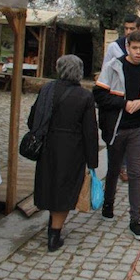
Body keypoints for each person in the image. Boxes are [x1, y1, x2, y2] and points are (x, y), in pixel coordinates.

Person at [94, 30, 140, 241]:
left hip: (137, 129)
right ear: (128, 47)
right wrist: (124, 103)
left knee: (134, 172)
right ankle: (108, 202)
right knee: (113, 169)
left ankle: (135, 220)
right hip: (115, 127)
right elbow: (99, 95)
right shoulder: (113, 66)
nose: (139, 52)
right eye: (135, 48)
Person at [30, 55, 98, 252]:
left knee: (50, 185)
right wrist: (92, 161)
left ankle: (52, 225)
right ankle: (54, 234)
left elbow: (32, 119)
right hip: (72, 149)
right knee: (64, 190)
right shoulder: (84, 96)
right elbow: (90, 131)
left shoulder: (47, 90)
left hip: (48, 145)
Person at [103, 14, 140, 182]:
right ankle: (115, 169)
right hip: (118, 100)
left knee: (134, 139)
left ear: (139, 29)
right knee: (115, 137)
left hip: (139, 101)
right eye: (126, 28)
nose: (128, 31)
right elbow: (106, 67)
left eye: (132, 29)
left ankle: (127, 168)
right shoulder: (114, 47)